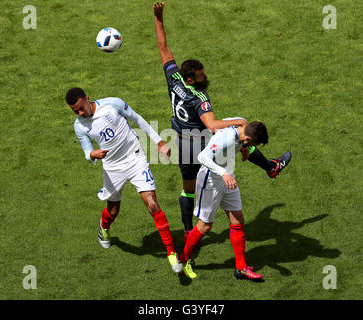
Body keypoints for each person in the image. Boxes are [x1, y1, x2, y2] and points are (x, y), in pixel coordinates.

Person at [153, 1, 291, 239]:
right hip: (202, 140)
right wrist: (238, 120)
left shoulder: (174, 78)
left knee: (187, 189)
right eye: (201, 75)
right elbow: (212, 125)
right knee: (239, 131)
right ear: (191, 78)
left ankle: (188, 232)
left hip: (182, 142)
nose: (205, 76)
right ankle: (270, 167)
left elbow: (162, 45)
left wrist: (158, 17)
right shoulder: (199, 97)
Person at [65, 87, 182, 274]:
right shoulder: (80, 126)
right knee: (113, 210)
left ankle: (171, 253)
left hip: (135, 158)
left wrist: (159, 141)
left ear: (87, 98)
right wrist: (92, 154)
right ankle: (104, 227)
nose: (80, 113)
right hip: (112, 168)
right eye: (75, 111)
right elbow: (87, 151)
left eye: (81, 107)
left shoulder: (113, 104)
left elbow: (137, 119)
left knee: (152, 204)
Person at [179, 120, 272, 281]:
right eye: (252, 145)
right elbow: (203, 157)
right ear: (249, 139)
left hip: (228, 178)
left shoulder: (241, 125)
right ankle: (183, 261)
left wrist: (243, 148)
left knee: (238, 220)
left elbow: (234, 123)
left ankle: (241, 268)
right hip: (211, 181)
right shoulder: (226, 140)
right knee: (205, 226)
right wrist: (223, 172)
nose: (252, 147)